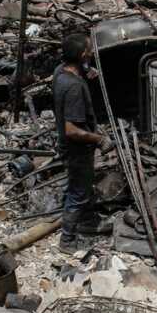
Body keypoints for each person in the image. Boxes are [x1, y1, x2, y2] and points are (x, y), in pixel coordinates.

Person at [52, 33, 113, 254]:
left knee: (82, 186)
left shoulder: (60, 73)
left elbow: (73, 66)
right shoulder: (74, 88)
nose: (92, 52)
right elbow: (72, 130)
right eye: (88, 50)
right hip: (77, 149)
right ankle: (67, 240)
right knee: (78, 192)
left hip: (69, 148)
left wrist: (87, 70)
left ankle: (87, 221)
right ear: (81, 55)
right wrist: (100, 139)